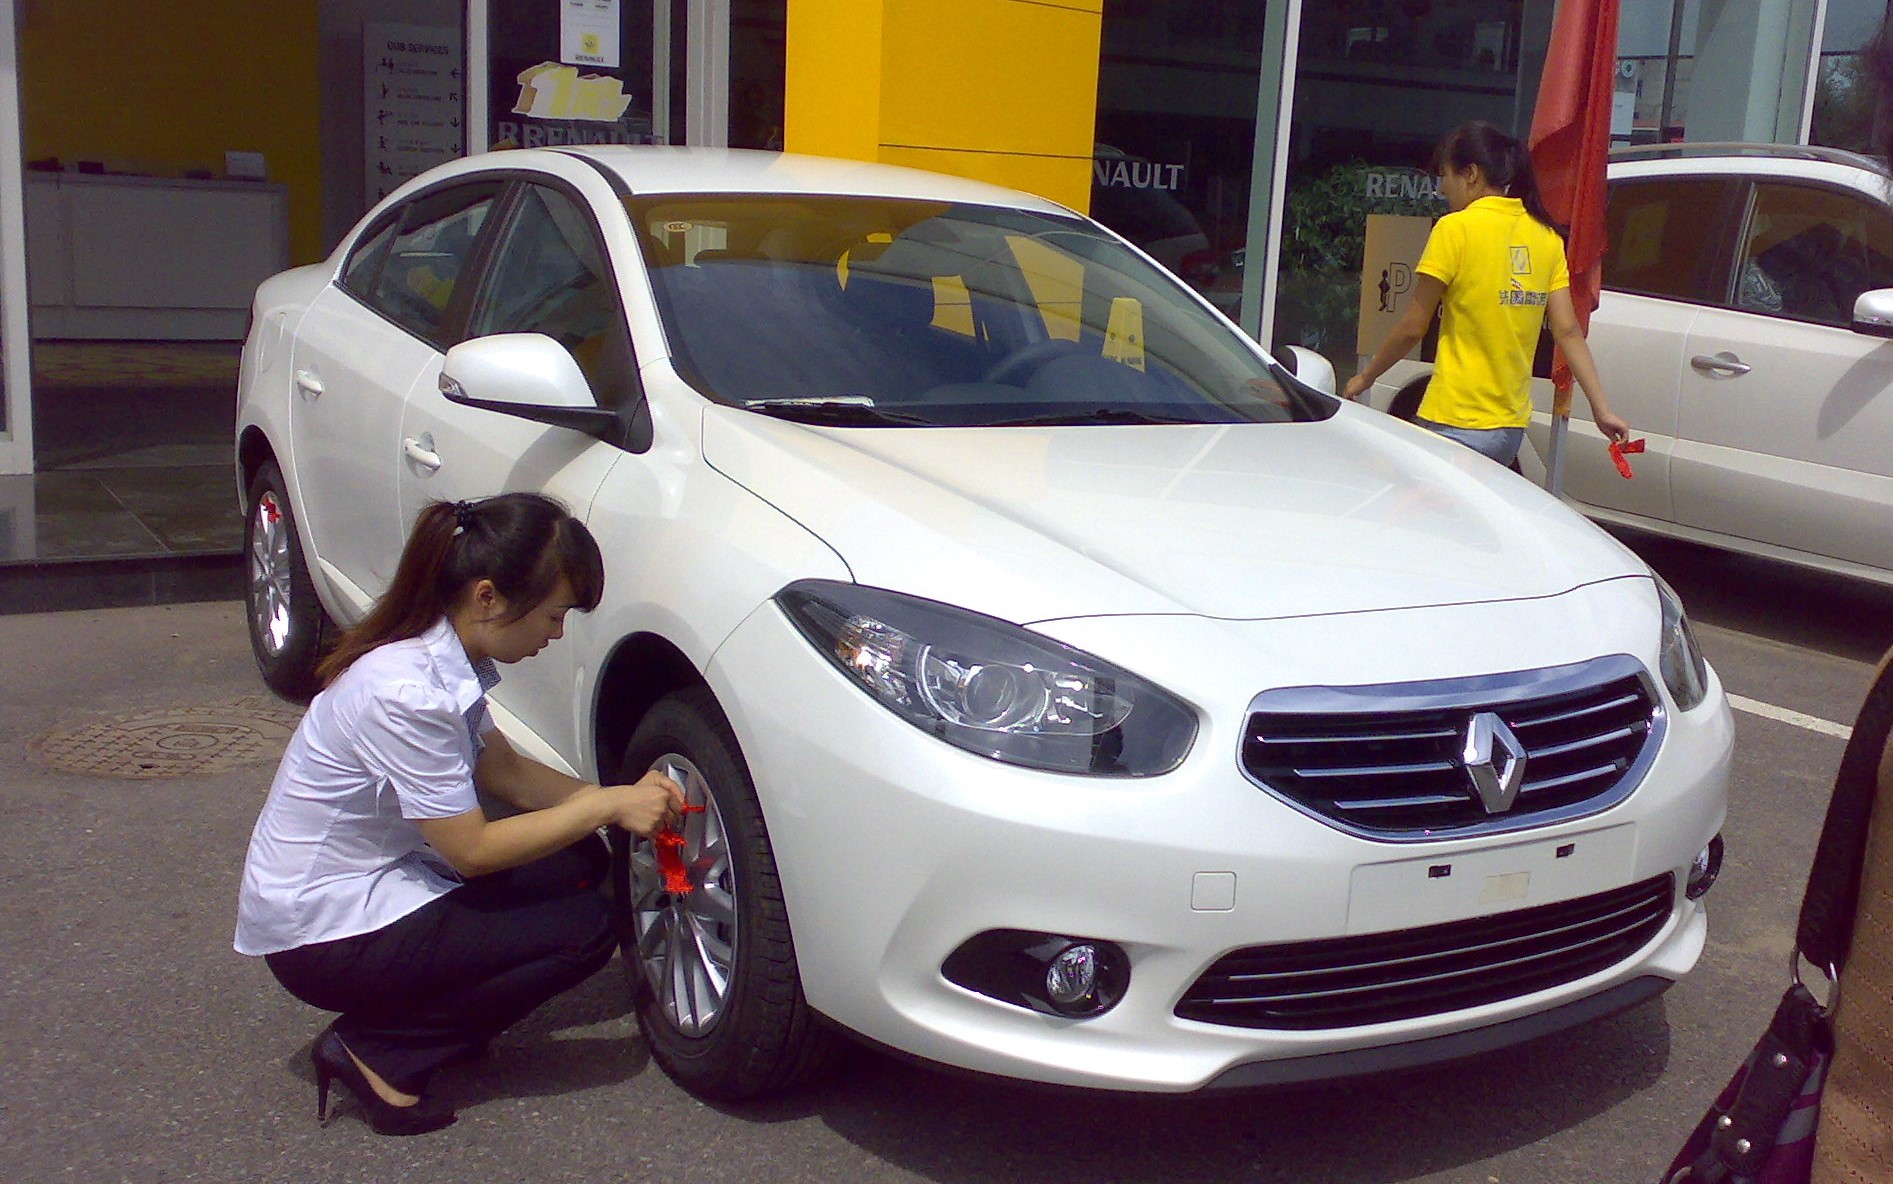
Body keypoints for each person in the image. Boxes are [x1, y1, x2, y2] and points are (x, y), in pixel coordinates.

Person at [234, 492, 684, 1135]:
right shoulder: (407, 692)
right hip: (320, 932)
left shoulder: (441, 657)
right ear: (487, 598)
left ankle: (434, 1009)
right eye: (554, 617)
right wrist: (610, 804)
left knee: (582, 863)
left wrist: (610, 803)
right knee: (585, 928)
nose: (556, 636)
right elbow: (470, 851)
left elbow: (506, 772)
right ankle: (381, 1050)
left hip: (374, 884)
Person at [1342, 120, 1631, 466]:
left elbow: (1412, 328)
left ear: (1471, 174)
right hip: (1508, 430)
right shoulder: (1546, 237)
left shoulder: (1455, 230)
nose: (1442, 189)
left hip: (1454, 420)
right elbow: (1567, 331)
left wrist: (1365, 377)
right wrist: (1602, 409)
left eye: (1445, 176)